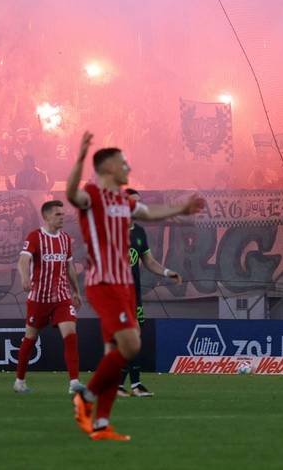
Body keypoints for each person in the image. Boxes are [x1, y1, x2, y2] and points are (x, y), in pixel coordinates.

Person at [66, 132, 204, 442]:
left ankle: (101, 424)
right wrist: (78, 159)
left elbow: (151, 213)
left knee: (116, 352)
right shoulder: (92, 194)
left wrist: (180, 209)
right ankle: (85, 398)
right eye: (122, 162)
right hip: (104, 282)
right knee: (131, 346)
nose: (127, 166)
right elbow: (71, 195)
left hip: (126, 286)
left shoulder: (125, 202)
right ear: (106, 168)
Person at [13, 199, 83, 395]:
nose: (63, 217)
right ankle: (19, 381)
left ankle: (74, 382)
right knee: (30, 338)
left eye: (63, 214)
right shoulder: (35, 237)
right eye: (58, 214)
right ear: (46, 216)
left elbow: (69, 267)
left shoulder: (65, 239)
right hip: (39, 299)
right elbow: (23, 260)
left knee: (70, 335)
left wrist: (76, 291)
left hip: (62, 297)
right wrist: (25, 277)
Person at [116, 187, 181, 398]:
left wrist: (167, 272)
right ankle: (134, 385)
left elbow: (149, 261)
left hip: (133, 295)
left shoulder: (139, 232)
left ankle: (121, 386)